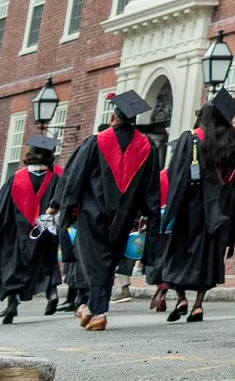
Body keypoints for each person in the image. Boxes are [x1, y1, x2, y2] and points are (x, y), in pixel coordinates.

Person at [55, 91, 159, 330]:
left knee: (94, 261)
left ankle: (98, 311)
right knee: (107, 261)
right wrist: (149, 216)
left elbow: (76, 179)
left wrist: (65, 207)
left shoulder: (96, 142)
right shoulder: (147, 146)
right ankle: (88, 306)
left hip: (91, 213)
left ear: (114, 116)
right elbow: (150, 189)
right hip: (125, 216)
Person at [157, 90, 235, 323]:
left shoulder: (191, 139)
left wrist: (170, 211)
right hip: (221, 211)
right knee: (209, 256)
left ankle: (182, 299)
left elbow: (177, 175)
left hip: (191, 208)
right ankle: (198, 305)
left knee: (181, 252)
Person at [0, 132, 63, 323]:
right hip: (47, 228)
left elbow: (3, 208)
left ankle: (13, 301)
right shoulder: (57, 176)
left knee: (15, 265)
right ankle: (51, 293)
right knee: (47, 261)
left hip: (20, 231)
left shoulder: (16, 178)